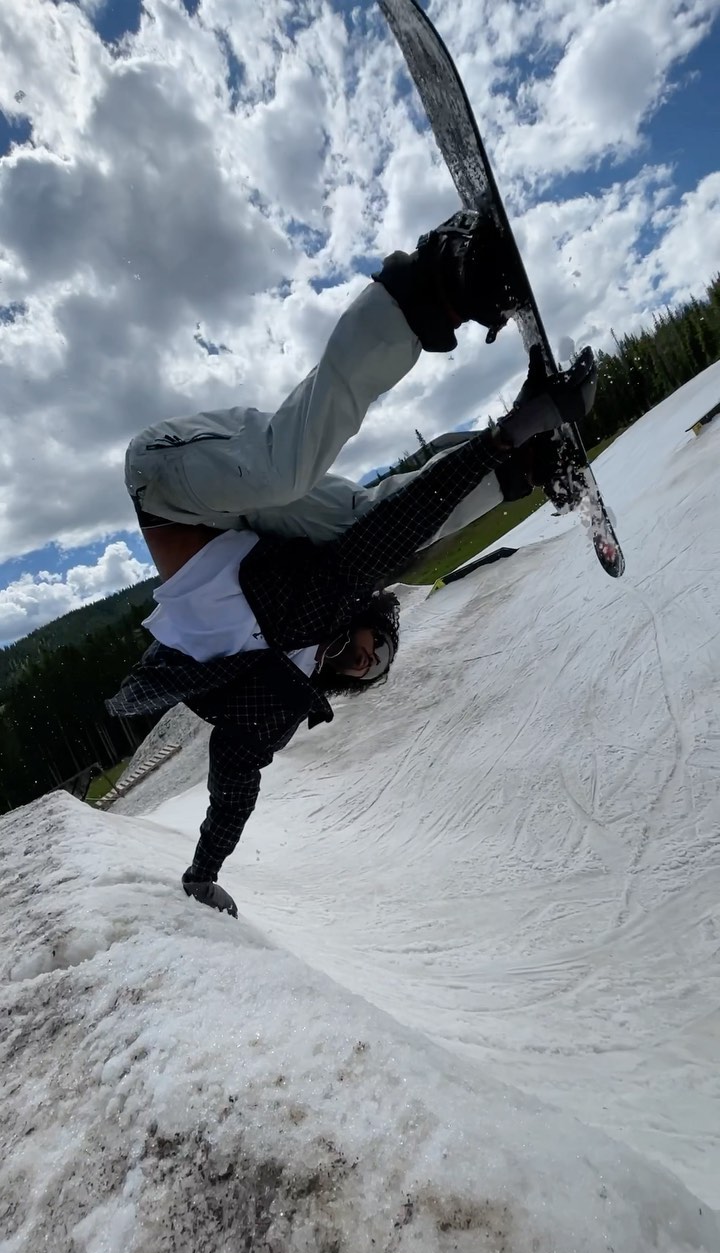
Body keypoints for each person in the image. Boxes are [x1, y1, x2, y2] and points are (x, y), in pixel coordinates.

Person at [107, 210, 596, 916]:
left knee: (329, 499)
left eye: (371, 663)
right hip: (219, 488)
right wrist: (504, 442)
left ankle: (477, 369)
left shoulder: (281, 695)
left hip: (164, 490)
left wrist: (202, 873)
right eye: (380, 654)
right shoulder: (330, 599)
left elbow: (234, 785)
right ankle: (463, 337)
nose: (369, 660)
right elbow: (401, 525)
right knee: (345, 507)